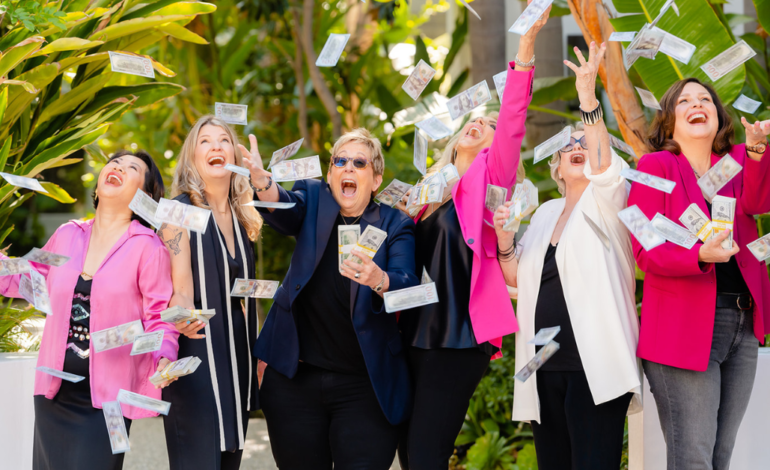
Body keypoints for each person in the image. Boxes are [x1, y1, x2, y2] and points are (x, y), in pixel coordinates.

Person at [394, 9, 550, 469]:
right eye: (471, 122)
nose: (476, 123)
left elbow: (512, 122)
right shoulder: (428, 191)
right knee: (408, 449)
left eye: (487, 126)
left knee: (426, 452)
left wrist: (523, 52)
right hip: (411, 333)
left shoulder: (491, 185)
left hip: (459, 335)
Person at [495, 42, 642, 470]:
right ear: (556, 168)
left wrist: (588, 100)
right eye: (567, 146)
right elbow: (518, 281)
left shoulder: (609, 199)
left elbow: (604, 165)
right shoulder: (542, 214)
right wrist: (505, 240)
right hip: (543, 365)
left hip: (596, 365)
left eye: (584, 142)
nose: (576, 146)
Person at [0, 150, 178, 470]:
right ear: (97, 187)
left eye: (132, 167)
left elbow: (158, 318)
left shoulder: (148, 248)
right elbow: (28, 279)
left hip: (110, 403)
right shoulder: (68, 235)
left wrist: (164, 353)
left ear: (145, 195)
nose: (118, 167)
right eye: (115, 163)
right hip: (52, 395)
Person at [251, 128, 418, 468]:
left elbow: (408, 285)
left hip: (365, 384)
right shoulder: (313, 198)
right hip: (295, 381)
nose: (348, 168)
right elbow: (283, 211)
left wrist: (380, 279)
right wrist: (262, 183)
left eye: (359, 162)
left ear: (375, 179)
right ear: (329, 174)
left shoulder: (394, 223)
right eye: (340, 161)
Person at [628, 77, 770, 469]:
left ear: (719, 116)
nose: (697, 104)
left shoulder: (738, 161)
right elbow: (645, 248)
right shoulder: (655, 166)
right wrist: (700, 256)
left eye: (705, 98)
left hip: (743, 322)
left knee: (720, 456)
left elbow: (759, 203)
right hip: (682, 326)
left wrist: (757, 150)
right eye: (685, 100)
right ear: (670, 119)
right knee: (693, 458)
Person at [159, 115, 263, 470]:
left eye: (223, 139)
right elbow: (182, 288)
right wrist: (182, 316)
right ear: (192, 156)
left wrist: (259, 353)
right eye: (205, 140)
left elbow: (245, 297)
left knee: (229, 460)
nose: (216, 145)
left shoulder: (243, 217)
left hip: (237, 358)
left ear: (235, 154)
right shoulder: (178, 210)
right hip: (197, 353)